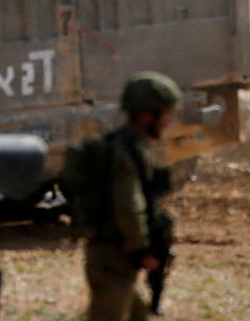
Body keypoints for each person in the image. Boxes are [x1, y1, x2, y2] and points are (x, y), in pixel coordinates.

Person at [83, 72, 181, 321]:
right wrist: (142, 249)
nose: (169, 121)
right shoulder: (126, 151)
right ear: (146, 115)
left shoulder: (133, 146)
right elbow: (129, 205)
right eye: (166, 114)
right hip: (113, 256)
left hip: (115, 255)